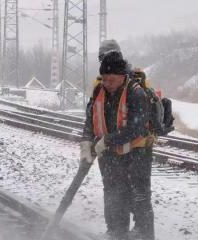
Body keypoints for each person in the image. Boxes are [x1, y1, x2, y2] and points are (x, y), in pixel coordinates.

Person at [81, 51, 155, 240]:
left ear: (122, 76)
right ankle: (116, 231)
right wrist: (86, 140)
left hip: (137, 152)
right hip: (110, 154)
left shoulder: (136, 93)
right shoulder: (99, 91)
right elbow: (90, 118)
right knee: (113, 191)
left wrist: (106, 140)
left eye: (111, 80)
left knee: (139, 194)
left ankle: (143, 234)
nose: (107, 84)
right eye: (104, 79)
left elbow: (136, 128)